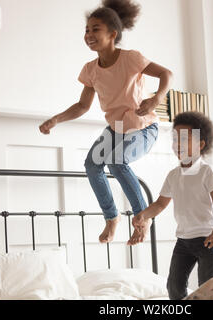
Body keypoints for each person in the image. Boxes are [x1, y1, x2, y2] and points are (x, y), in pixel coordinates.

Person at [39, 0, 173, 243]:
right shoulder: (90, 69)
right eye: (87, 30)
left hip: (143, 127)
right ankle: (112, 217)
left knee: (117, 161)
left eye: (95, 29)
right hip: (117, 129)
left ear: (113, 34)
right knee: (92, 165)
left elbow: (167, 74)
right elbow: (82, 106)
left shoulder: (132, 59)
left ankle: (143, 217)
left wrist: (155, 100)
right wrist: (56, 120)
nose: (89, 34)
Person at [127, 111, 213, 300]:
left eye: (184, 139)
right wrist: (143, 215)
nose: (177, 144)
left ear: (201, 145)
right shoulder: (173, 175)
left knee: (208, 285)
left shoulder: (207, 172)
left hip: (207, 238)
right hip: (183, 241)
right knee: (174, 285)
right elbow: (160, 204)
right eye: (175, 139)